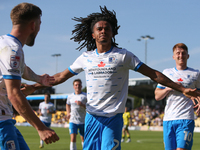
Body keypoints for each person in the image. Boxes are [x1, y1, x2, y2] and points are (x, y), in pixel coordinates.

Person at [22, 6, 200, 150]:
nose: (103, 31)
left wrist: (182, 89)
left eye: (107, 29)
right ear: (93, 35)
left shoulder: (124, 56)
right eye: (99, 29)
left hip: (113, 118)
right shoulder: (85, 58)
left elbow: (154, 74)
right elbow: (60, 76)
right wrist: (34, 87)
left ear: (113, 33)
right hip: (91, 118)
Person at [0, 3, 59, 150]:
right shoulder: (13, 50)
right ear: (33, 25)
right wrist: (41, 128)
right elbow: (14, 94)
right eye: (40, 24)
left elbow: (22, 69)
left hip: (7, 121)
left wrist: (39, 79)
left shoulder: (5, 44)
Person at [154, 43, 200, 150]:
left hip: (186, 118)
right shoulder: (166, 73)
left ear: (188, 56)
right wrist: (170, 87)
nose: (181, 55)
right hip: (168, 119)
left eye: (183, 53)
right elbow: (157, 96)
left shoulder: (195, 74)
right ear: (173, 56)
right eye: (178, 53)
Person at [66, 79, 87, 150]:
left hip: (83, 121)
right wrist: (68, 113)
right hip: (73, 120)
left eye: (79, 85)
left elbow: (90, 107)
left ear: (81, 86)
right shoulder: (70, 96)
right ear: (73, 87)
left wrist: (82, 105)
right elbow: (67, 104)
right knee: (72, 138)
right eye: (76, 85)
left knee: (83, 139)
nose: (77, 86)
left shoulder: (85, 96)